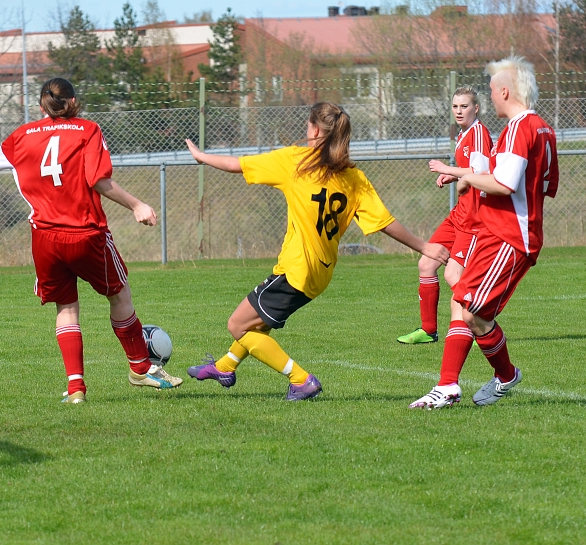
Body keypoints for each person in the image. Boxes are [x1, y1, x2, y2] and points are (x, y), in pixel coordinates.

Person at [184, 102, 449, 400]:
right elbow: (384, 223)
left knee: (238, 325)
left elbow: (237, 165)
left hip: (296, 269)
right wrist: (424, 246)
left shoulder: (296, 161)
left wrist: (200, 156)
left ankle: (301, 380)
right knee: (259, 321)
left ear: (312, 129)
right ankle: (225, 366)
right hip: (321, 273)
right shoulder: (354, 178)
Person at [0, 77, 182, 404]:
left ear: (41, 105)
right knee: (120, 294)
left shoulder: (21, 137)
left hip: (44, 238)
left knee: (66, 307)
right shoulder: (87, 130)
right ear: (72, 102)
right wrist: (137, 205)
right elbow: (98, 180)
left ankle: (76, 389)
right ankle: (141, 368)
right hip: (84, 233)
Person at [410, 56, 558, 409]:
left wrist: (461, 174)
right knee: (473, 312)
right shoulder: (542, 128)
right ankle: (505, 376)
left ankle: (447, 386)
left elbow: (504, 184)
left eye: (492, 90)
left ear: (505, 91)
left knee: (465, 304)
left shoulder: (520, 129)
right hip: (504, 234)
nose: (491, 97)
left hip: (509, 238)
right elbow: (547, 184)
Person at [397, 87, 494, 344]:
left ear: (476, 108)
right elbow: (470, 170)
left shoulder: (479, 133)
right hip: (459, 212)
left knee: (453, 275)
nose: (459, 111)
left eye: (464, 106)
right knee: (426, 263)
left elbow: (482, 172)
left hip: (474, 217)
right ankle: (428, 331)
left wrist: (445, 167)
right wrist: (453, 175)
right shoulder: (464, 134)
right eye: (455, 107)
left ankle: (479, 323)